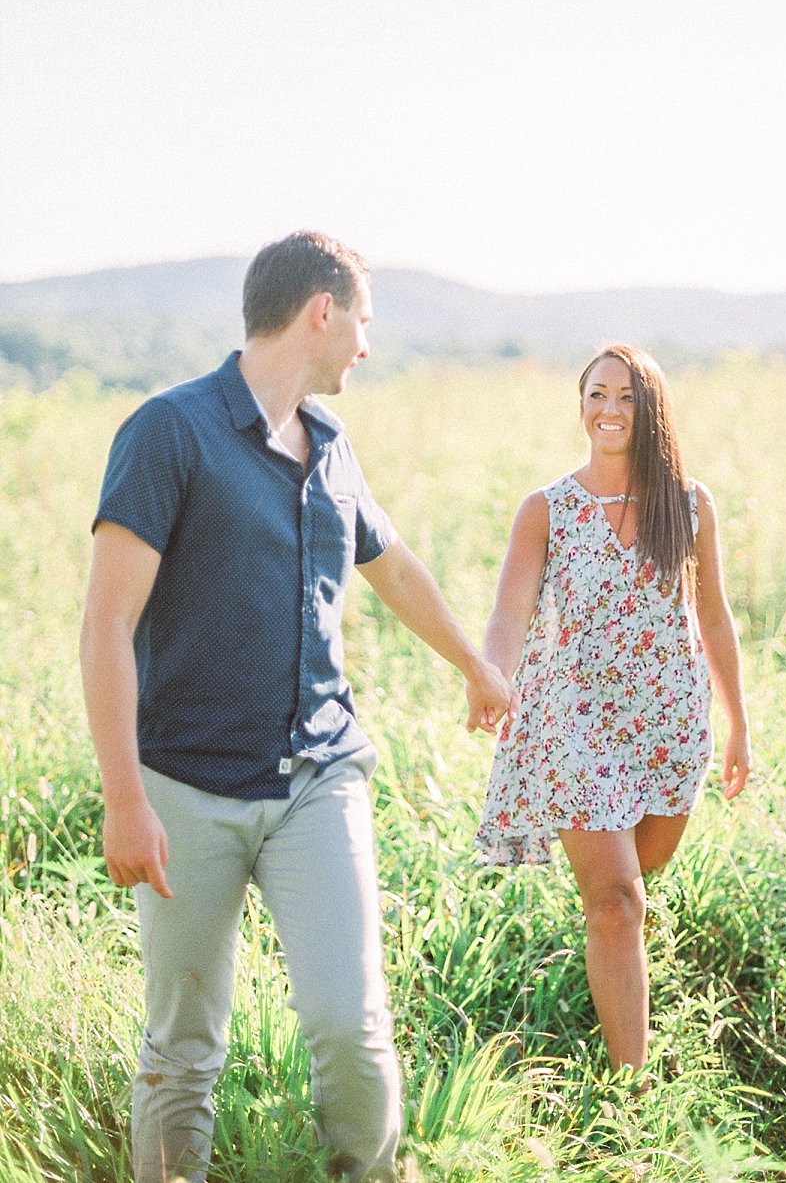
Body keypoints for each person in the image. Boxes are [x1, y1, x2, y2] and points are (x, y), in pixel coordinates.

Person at [79, 230, 514, 1183]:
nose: (367, 345)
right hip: (185, 787)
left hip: (321, 777)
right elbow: (107, 623)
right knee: (183, 1042)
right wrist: (125, 798)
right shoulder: (170, 432)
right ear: (324, 310)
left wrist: (476, 668)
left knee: (352, 1030)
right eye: (364, 320)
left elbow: (391, 567)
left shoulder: (331, 444)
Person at [474, 343, 751, 1072]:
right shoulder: (548, 510)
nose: (609, 410)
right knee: (619, 903)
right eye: (597, 395)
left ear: (650, 410)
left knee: (635, 882)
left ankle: (608, 962)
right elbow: (509, 611)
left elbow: (715, 617)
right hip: (578, 723)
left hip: (670, 724)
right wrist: (491, 675)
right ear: (581, 405)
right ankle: (632, 1096)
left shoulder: (690, 506)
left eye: (626, 397)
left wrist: (738, 726)